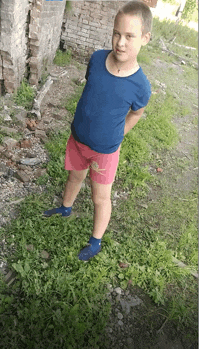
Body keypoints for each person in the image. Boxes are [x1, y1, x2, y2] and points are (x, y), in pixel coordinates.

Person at [43, 1, 152, 261]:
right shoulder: (96, 58)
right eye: (117, 33)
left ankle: (95, 242)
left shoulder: (141, 86)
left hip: (105, 152)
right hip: (78, 140)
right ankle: (66, 208)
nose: (120, 42)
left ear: (145, 39)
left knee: (100, 197)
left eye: (129, 36)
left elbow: (136, 113)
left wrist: (119, 133)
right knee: (74, 177)